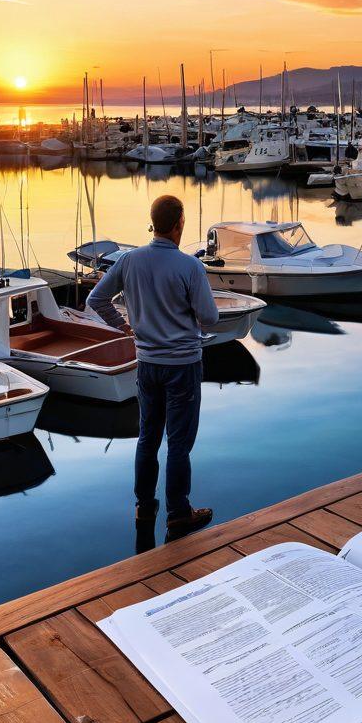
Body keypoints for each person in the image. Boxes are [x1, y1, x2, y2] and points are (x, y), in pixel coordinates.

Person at [87, 195, 218, 538]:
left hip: (147, 365)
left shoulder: (130, 261)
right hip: (182, 366)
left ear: (154, 223)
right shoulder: (190, 267)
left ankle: (144, 506)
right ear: (179, 225)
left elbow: (95, 299)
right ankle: (178, 512)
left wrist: (125, 325)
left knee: (148, 436)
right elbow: (210, 318)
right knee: (178, 442)